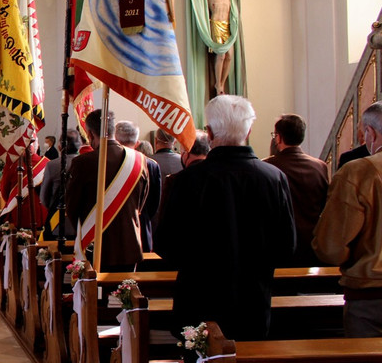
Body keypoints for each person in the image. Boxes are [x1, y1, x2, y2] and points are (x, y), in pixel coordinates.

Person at [156, 96, 295, 341]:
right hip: (252, 302)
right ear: (249, 131)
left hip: (199, 300)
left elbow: (166, 244)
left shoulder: (188, 180)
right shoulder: (274, 178)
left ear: (209, 133)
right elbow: (286, 246)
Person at [313, 101, 382, 337]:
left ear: (370, 133)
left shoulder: (358, 172)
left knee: (366, 361)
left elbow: (331, 248)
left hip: (371, 298)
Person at [66, 110, 149, 272]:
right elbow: (141, 202)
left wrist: (86, 229)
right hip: (129, 245)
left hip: (95, 245)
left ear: (90, 134)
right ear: (113, 130)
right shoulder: (139, 160)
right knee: (126, 288)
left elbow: (72, 207)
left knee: (94, 289)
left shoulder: (82, 163)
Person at [168, 0, 263, 97]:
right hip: (216, 25)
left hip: (228, 26)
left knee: (229, 56)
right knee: (221, 55)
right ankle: (218, 83)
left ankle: (222, 82)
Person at [263, 114, 329, 267]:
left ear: (278, 138)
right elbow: (325, 206)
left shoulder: (268, 167)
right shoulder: (320, 166)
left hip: (280, 245)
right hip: (313, 244)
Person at [114, 120, 161, 252]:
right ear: (137, 143)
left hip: (113, 229)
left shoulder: (107, 163)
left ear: (115, 139)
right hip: (141, 227)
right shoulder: (151, 165)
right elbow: (154, 204)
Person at [40, 130, 82, 241]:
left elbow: (44, 198)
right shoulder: (87, 163)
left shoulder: (52, 165)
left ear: (59, 146)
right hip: (82, 224)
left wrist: (54, 208)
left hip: (58, 223)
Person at [0, 139, 47, 231]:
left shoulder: (11, 165)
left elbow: (4, 191)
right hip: (42, 216)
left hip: (19, 214)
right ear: (37, 146)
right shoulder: (47, 163)